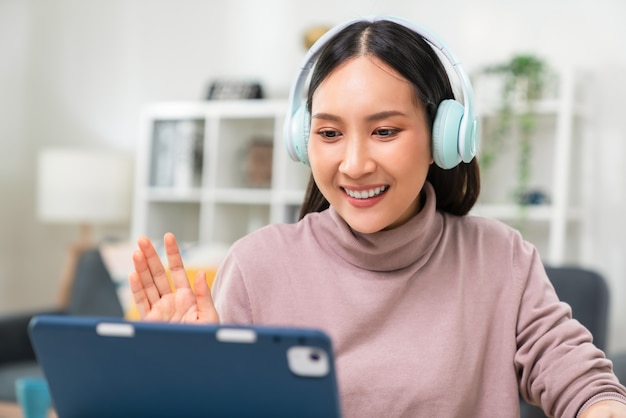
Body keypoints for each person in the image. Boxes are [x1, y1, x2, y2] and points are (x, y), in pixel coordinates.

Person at [129, 16, 626, 418]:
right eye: (329, 134)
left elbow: (577, 378)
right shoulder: (258, 265)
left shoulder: (500, 259)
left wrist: (600, 406)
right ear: (304, 140)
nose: (354, 163)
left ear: (443, 137)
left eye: (384, 131)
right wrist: (182, 375)